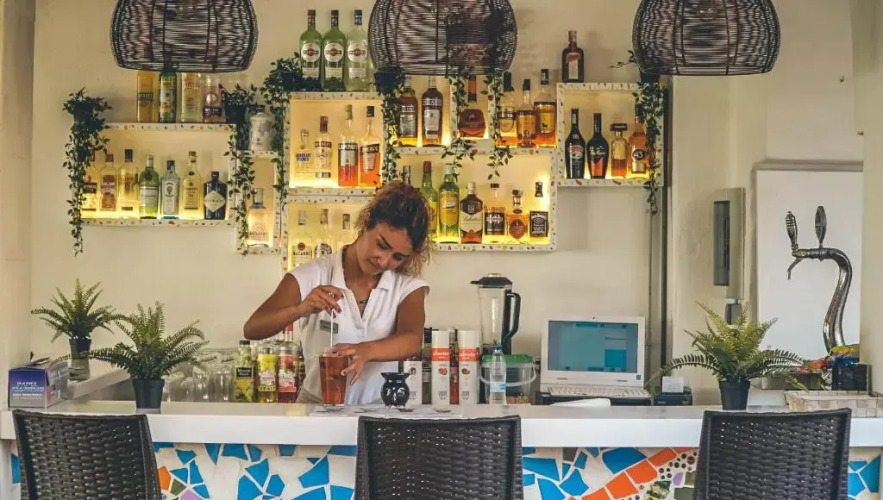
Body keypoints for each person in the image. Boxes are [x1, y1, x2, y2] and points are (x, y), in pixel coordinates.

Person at [244, 182, 431, 404]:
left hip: (378, 412)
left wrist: (366, 351)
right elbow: (253, 328)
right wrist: (300, 309)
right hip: (315, 410)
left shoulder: (407, 287)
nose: (384, 261)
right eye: (381, 245)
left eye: (397, 257)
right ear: (366, 224)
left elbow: (412, 340)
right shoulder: (312, 274)